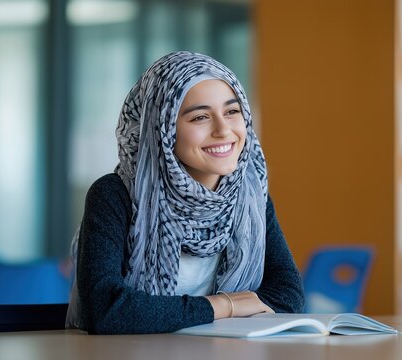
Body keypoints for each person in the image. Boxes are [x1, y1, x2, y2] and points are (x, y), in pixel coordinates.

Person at [65, 51, 304, 334]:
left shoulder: (250, 196)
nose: (223, 130)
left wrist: (165, 312)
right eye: (200, 117)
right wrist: (227, 306)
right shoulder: (115, 195)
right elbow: (107, 311)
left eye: (232, 111)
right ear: (161, 129)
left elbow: (288, 296)